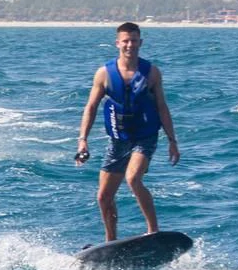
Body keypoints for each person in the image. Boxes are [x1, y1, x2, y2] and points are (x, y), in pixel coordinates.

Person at [75, 22, 181, 241]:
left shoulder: (151, 73)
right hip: (118, 139)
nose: (130, 45)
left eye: (134, 40)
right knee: (104, 196)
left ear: (140, 42)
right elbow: (91, 107)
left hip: (146, 136)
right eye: (125, 41)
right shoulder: (104, 73)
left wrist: (172, 141)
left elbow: (162, 106)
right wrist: (83, 140)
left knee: (133, 178)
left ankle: (153, 232)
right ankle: (110, 242)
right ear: (117, 43)